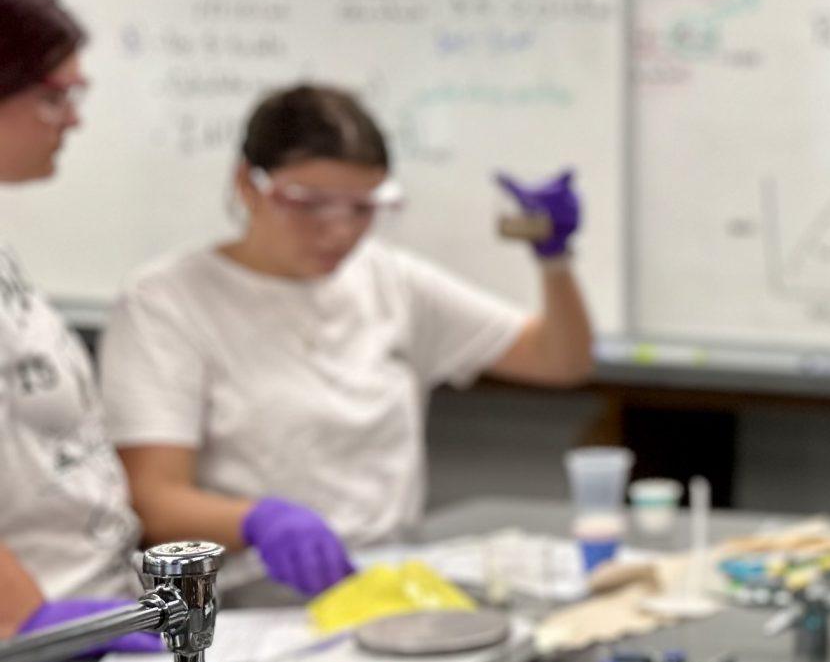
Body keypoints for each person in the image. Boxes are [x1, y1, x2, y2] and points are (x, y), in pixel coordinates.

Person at [101, 84, 595, 596]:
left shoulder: (388, 280)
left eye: (361, 208)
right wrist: (258, 523)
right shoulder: (167, 301)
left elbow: (561, 360)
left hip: (388, 582)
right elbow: (155, 500)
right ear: (248, 184)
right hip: (252, 595)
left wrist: (554, 260)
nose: (337, 231)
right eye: (309, 204)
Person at [0, 0, 151, 646]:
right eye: (55, 96)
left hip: (87, 610)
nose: (75, 118)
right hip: (29, 652)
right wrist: (25, 621)